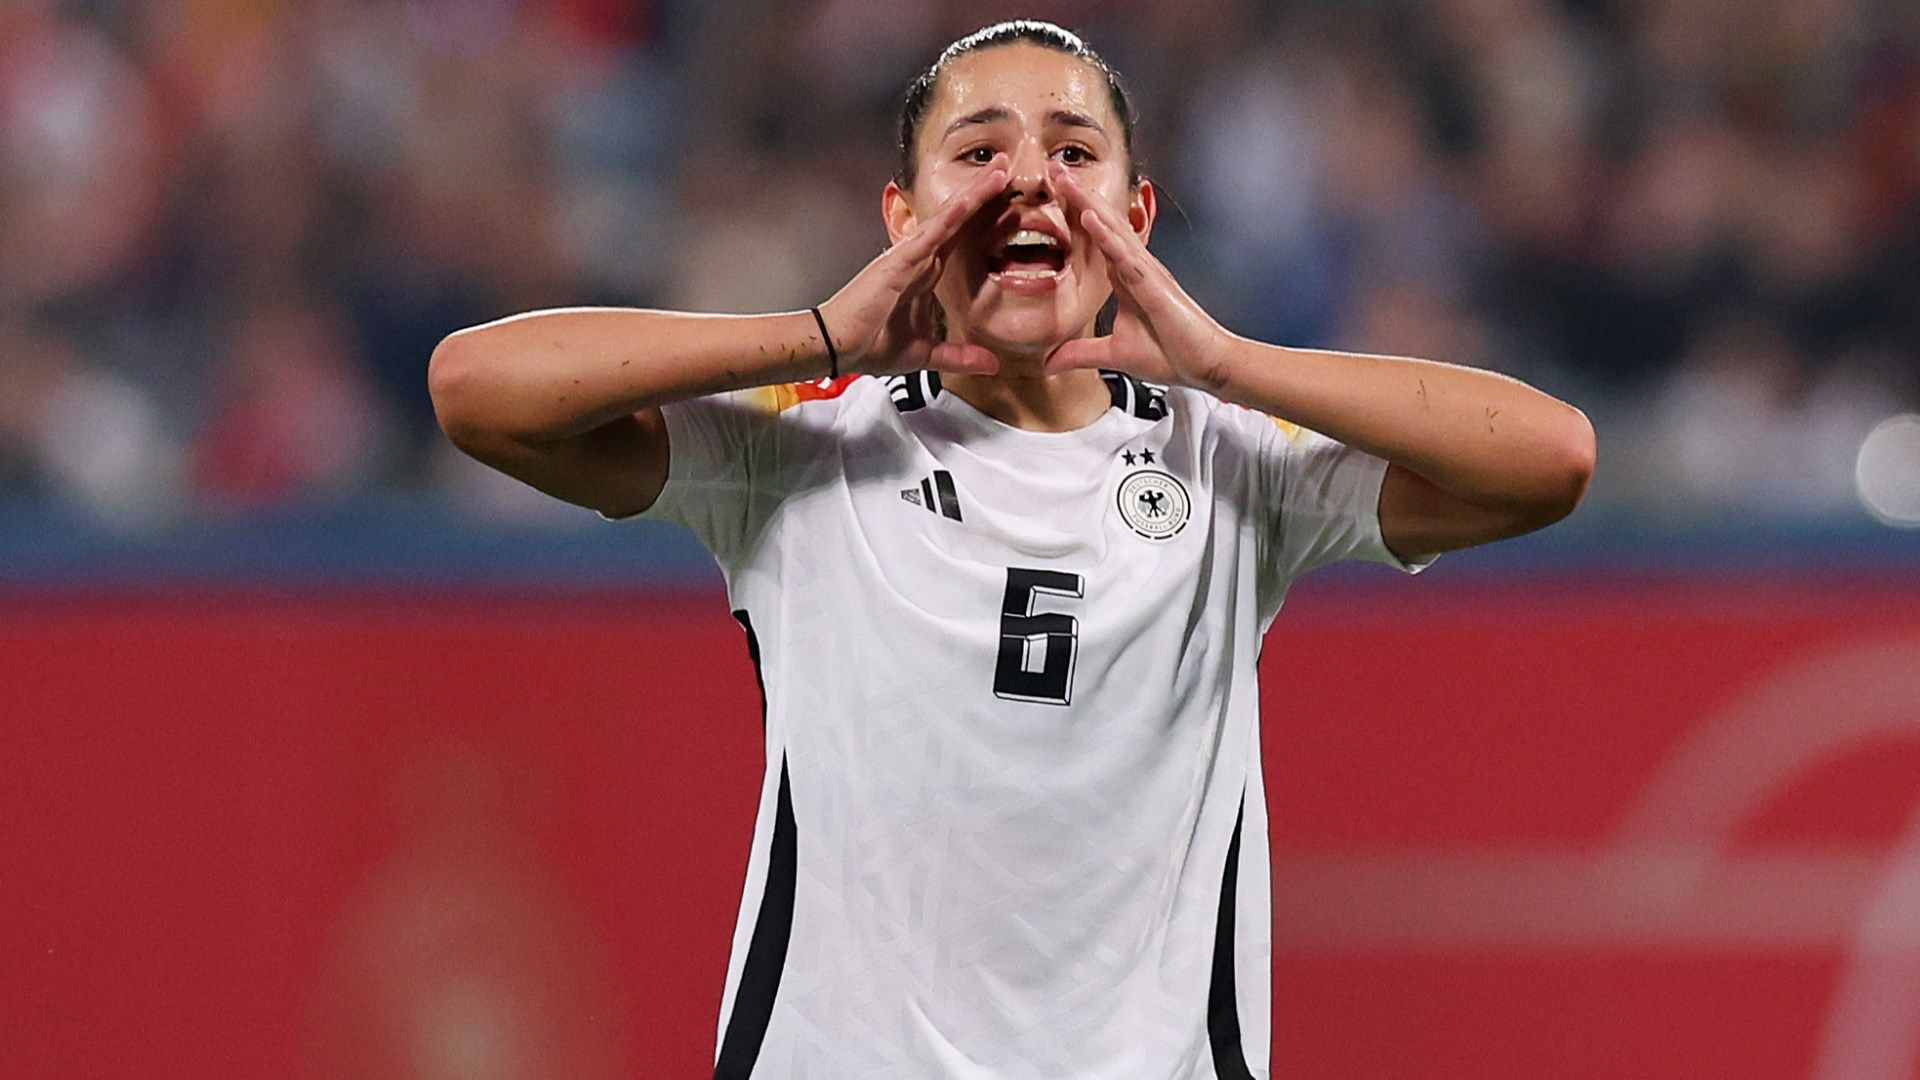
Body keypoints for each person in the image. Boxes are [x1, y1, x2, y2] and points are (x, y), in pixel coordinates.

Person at [428, 19, 1595, 1079]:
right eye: (979, 151)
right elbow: (476, 390)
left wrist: (1230, 363)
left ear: (1138, 217)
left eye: (1074, 152)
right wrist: (818, 334)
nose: (1028, 179)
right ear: (904, 216)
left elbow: (1550, 458)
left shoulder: (1232, 455)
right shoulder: (801, 439)